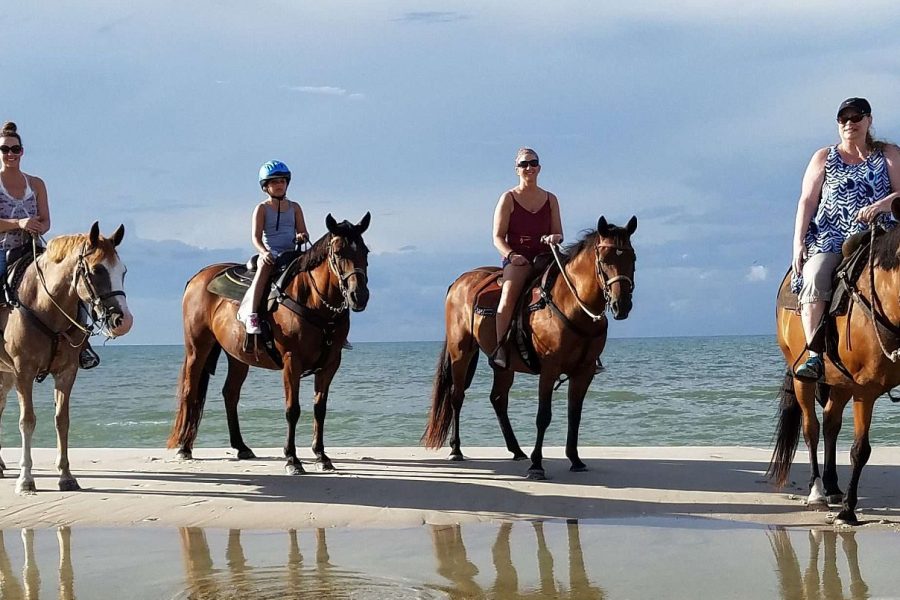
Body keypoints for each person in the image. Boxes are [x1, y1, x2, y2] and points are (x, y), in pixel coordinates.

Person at [792, 98, 900, 381]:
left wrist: (882, 205)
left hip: (879, 235)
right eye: (843, 119)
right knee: (815, 275)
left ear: (869, 121)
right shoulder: (824, 157)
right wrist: (798, 242)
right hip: (831, 235)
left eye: (856, 118)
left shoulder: (888, 153)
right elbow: (807, 200)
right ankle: (814, 356)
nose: (850, 124)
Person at [490, 147, 563, 369]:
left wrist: (554, 237)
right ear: (517, 170)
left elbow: (559, 233)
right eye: (524, 164)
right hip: (517, 259)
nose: (528, 167)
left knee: (577, 287)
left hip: (545, 257)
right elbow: (497, 237)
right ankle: (501, 348)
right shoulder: (508, 198)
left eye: (533, 163)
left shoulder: (551, 199)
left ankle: (587, 351)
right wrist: (512, 256)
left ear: (539, 167)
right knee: (507, 298)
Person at [237, 160, 309, 335]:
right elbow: (255, 237)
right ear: (265, 187)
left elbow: (303, 231)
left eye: (282, 181)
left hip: (292, 253)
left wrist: (302, 236)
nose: (279, 185)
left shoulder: (295, 207)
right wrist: (264, 252)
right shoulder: (261, 208)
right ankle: (252, 314)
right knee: (265, 267)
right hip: (271, 252)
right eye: (275, 182)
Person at [0, 122, 50, 298]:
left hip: (34, 249)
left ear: (22, 151)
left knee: (67, 280)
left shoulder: (36, 184)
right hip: (3, 251)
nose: (10, 154)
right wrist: (20, 223)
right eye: (5, 149)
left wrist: (39, 228)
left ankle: (82, 322)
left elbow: (46, 220)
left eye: (15, 149)